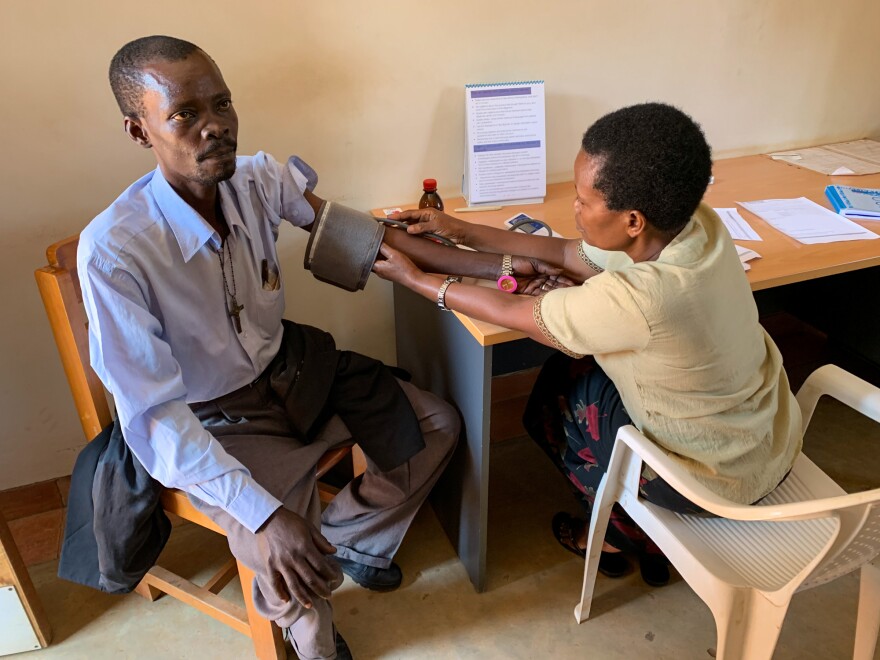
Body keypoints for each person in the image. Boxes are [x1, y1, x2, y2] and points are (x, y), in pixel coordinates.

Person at [77, 35, 561, 660]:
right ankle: (318, 646)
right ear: (140, 132)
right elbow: (155, 415)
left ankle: (349, 539)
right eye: (184, 115)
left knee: (437, 425)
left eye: (221, 104)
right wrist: (265, 517)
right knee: (280, 553)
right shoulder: (115, 250)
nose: (215, 127)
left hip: (291, 371)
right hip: (212, 417)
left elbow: (376, 243)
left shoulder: (259, 181)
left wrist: (508, 264)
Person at [373, 102, 803, 588]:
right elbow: (560, 252)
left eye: (583, 201)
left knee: (555, 397)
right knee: (583, 368)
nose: (573, 209)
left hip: (710, 479)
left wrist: (422, 281)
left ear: (634, 220)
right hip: (765, 437)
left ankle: (627, 531)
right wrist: (459, 230)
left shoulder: (642, 298)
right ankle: (633, 522)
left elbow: (519, 313)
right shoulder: (697, 223)